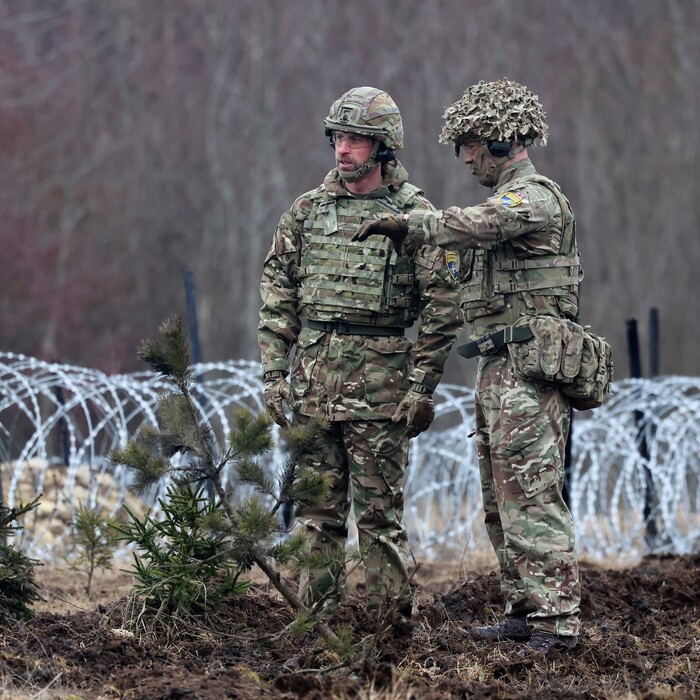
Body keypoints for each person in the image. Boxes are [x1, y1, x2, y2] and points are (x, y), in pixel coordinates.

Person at [353, 78, 582, 653]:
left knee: (531, 496)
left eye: (473, 145)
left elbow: (481, 223)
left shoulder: (534, 198)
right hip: (499, 369)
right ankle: (523, 608)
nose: (466, 158)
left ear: (502, 142)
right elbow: (464, 271)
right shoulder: (504, 208)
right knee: (500, 499)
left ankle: (557, 620)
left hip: (531, 371)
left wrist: (415, 224)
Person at [257, 87, 462, 618]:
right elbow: (278, 294)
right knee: (316, 516)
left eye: (356, 140)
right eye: (338, 138)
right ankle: (316, 627)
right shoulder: (306, 212)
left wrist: (422, 386)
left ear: (383, 148)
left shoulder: (414, 216)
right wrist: (274, 374)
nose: (343, 149)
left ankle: (384, 632)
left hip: (381, 390)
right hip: (313, 383)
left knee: (378, 519)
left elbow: (443, 306)